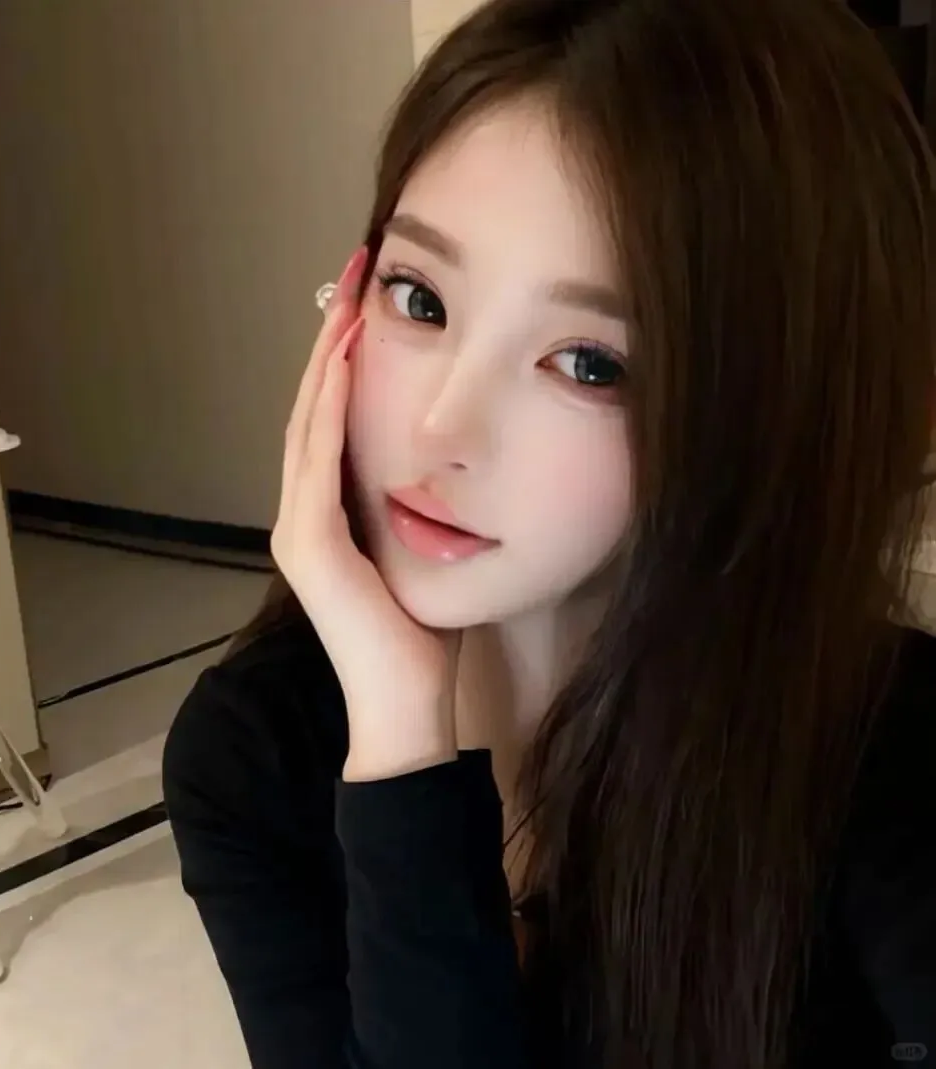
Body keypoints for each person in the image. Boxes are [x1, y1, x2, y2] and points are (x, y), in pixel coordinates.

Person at [162, 0, 936, 1065]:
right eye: (419, 299)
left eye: (588, 363)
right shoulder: (255, 747)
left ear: (760, 420)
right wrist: (398, 741)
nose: (439, 430)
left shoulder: (887, 751)